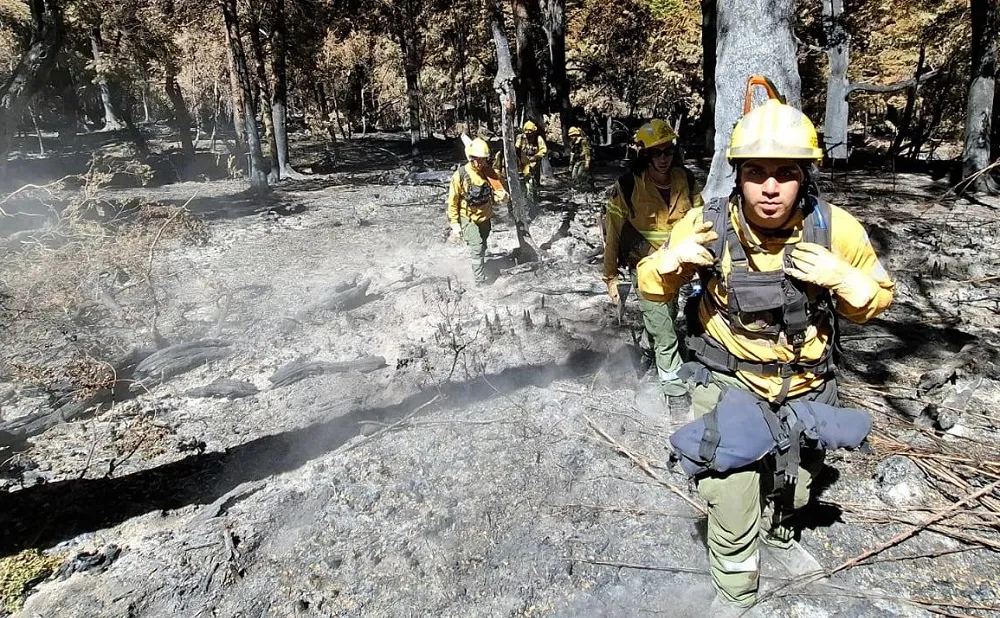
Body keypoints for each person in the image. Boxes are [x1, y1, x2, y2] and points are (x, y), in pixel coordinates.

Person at [636, 78, 894, 612]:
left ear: (804, 177)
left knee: (798, 485)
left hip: (808, 384)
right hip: (731, 383)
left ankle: (782, 535)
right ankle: (735, 595)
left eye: (786, 173)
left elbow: (877, 296)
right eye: (756, 173)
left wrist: (843, 278)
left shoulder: (835, 230)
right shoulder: (708, 225)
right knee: (731, 496)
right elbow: (648, 284)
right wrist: (668, 262)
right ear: (738, 175)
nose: (770, 187)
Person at [603, 119, 703, 408]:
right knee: (664, 329)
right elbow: (613, 233)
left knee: (666, 320)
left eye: (668, 151)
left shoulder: (687, 181)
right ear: (644, 155)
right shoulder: (627, 186)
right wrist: (610, 277)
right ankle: (675, 394)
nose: (663, 159)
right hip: (646, 269)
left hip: (680, 267)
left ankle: (654, 355)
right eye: (655, 153)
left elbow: (702, 222)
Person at [447, 138, 508, 285]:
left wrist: (502, 197)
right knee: (477, 246)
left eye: (484, 159)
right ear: (471, 158)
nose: (481, 163)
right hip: (468, 217)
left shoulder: (489, 173)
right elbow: (452, 201)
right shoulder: (460, 175)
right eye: (478, 160)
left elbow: (498, 192)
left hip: (485, 217)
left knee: (483, 245)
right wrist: (455, 224)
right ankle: (480, 281)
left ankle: (479, 264)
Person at [515, 120, 548, 213]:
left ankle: (533, 204)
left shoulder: (538, 139)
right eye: (527, 130)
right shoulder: (520, 138)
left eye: (530, 131)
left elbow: (543, 150)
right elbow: (516, 150)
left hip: (534, 165)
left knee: (532, 185)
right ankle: (526, 204)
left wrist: (537, 157)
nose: (528, 133)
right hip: (522, 165)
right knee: (523, 186)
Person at [568, 126, 594, 191]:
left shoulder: (583, 141)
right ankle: (577, 188)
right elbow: (572, 153)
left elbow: (587, 152)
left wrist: (587, 162)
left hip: (583, 161)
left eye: (572, 136)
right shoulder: (573, 143)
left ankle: (586, 187)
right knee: (574, 176)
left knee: (580, 175)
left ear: (576, 135)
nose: (571, 137)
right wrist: (571, 164)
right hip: (576, 161)